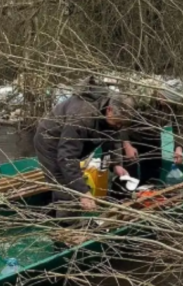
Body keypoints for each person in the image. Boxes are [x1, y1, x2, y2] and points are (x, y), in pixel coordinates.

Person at [34, 80, 134, 216]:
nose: (119, 127)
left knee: (71, 182)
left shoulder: (113, 104)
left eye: (122, 125)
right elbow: (67, 158)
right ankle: (67, 226)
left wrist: (116, 163)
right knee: (67, 188)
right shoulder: (81, 117)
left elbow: (113, 135)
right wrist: (83, 192)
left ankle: (53, 211)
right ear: (109, 110)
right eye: (117, 123)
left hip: (72, 142)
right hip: (50, 141)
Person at [121, 85, 183, 186]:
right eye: (162, 96)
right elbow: (121, 119)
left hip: (153, 134)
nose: (162, 100)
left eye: (167, 99)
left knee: (153, 171)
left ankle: (148, 190)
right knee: (129, 171)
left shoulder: (179, 103)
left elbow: (180, 126)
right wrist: (127, 145)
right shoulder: (144, 94)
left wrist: (179, 148)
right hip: (131, 133)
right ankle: (125, 192)